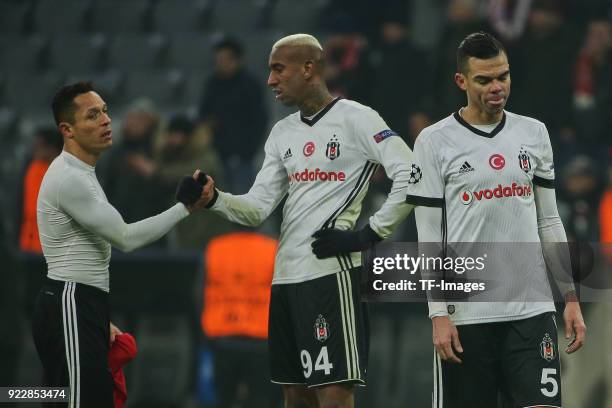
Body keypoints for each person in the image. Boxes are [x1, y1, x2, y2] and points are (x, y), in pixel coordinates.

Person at [201, 34, 414, 407]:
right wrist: (214, 198)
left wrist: (367, 235)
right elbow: (256, 207)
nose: (271, 80)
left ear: (309, 68)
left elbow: (413, 174)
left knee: (333, 391)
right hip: (285, 278)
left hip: (330, 276)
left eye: (278, 69)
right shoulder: (282, 132)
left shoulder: (358, 118)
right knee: (294, 394)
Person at [405, 32, 586, 407]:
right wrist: (438, 313)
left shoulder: (533, 133)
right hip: (467, 315)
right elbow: (428, 236)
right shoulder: (434, 142)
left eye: (502, 76)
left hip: (531, 310)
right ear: (462, 81)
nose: (496, 87)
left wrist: (569, 296)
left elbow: (549, 221)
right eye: (484, 79)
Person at [31, 82, 214, 408]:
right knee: (80, 401)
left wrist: (95, 315)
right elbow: (125, 238)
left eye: (105, 111)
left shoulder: (81, 173)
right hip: (70, 301)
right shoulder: (70, 178)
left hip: (77, 302)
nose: (105, 120)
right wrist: (184, 207)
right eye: (92, 115)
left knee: (62, 398)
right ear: (67, 130)